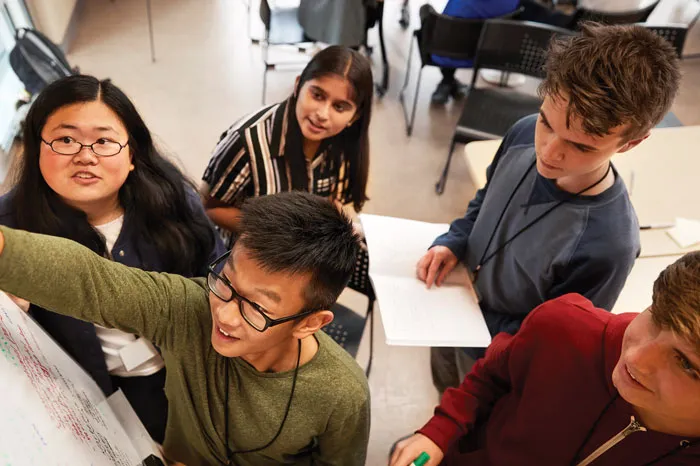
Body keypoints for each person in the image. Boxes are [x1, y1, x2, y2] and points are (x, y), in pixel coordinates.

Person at [0, 191, 370, 465]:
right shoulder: (187, 310)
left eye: (256, 307)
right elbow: (93, 282)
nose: (224, 316)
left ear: (309, 322)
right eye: (226, 282)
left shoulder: (342, 395)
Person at [416, 24, 681, 393]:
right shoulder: (524, 131)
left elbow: (551, 339)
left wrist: (478, 332)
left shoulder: (608, 244)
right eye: (546, 122)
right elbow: (485, 201)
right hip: (448, 316)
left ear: (631, 143)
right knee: (442, 386)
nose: (549, 151)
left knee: (466, 428)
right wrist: (454, 240)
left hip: (493, 362)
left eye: (581, 147)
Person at [0, 75, 225, 444]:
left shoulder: (174, 203)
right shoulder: (9, 231)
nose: (85, 155)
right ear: (37, 148)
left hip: (183, 379)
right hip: (86, 401)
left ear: (132, 154)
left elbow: (218, 284)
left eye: (103, 141)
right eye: (65, 139)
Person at [391, 252, 700, 465]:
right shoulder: (565, 326)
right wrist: (441, 431)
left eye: (686, 364)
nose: (636, 357)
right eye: (656, 316)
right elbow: (488, 379)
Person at [201, 45, 372, 248]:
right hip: (247, 255)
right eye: (317, 95)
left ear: (355, 115)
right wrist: (275, 231)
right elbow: (209, 207)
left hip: (303, 252)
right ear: (298, 85)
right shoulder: (247, 140)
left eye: (339, 107)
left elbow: (332, 198)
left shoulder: (342, 140)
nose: (323, 114)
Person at [428, 0, 521, 105]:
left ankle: (447, 80)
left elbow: (444, 32)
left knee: (430, 15)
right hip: (489, 56)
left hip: (446, 53)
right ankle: (450, 82)